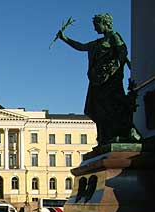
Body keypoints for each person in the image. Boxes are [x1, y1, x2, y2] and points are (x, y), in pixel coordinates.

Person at [57, 13, 133, 145]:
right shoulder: (98, 42)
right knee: (96, 108)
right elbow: (81, 47)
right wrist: (64, 38)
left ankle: (115, 134)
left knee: (110, 106)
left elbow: (122, 53)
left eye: (96, 25)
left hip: (110, 80)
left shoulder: (114, 37)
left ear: (105, 23)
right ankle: (104, 137)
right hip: (97, 81)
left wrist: (111, 69)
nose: (95, 29)